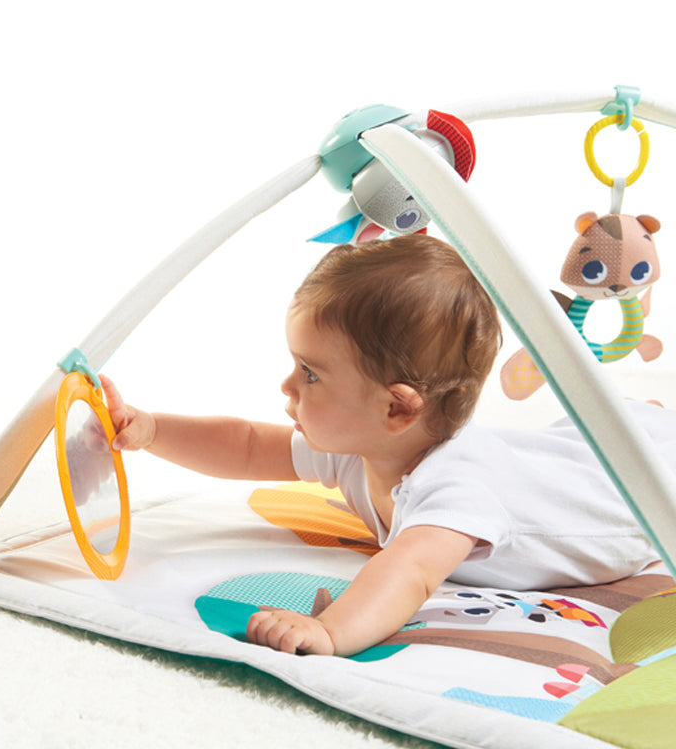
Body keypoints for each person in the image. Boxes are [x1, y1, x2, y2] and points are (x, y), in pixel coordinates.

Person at [100, 234, 670, 658]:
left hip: (647, 480)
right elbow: (248, 446)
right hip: (571, 452)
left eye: (311, 373)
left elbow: (410, 571)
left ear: (397, 408)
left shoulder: (455, 488)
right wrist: (152, 430)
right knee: (568, 446)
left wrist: (331, 629)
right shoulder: (363, 444)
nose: (288, 385)